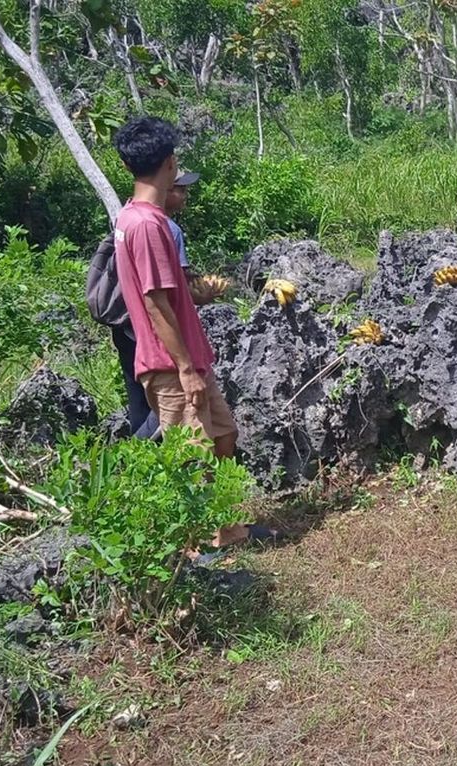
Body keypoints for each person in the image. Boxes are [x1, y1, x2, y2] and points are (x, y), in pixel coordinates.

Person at [111, 116, 272, 553]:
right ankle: (191, 549)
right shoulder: (144, 225)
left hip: (190, 358)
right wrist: (185, 369)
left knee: (223, 436)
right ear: (168, 162)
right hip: (171, 364)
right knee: (191, 455)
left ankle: (229, 530)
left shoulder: (143, 219)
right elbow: (155, 303)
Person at [111, 169, 211, 439]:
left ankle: (136, 455)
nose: (185, 195)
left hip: (129, 328)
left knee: (140, 403)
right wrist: (186, 367)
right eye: (180, 189)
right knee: (172, 418)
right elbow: (165, 295)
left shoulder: (127, 216)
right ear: (166, 187)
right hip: (162, 341)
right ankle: (132, 458)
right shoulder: (161, 228)